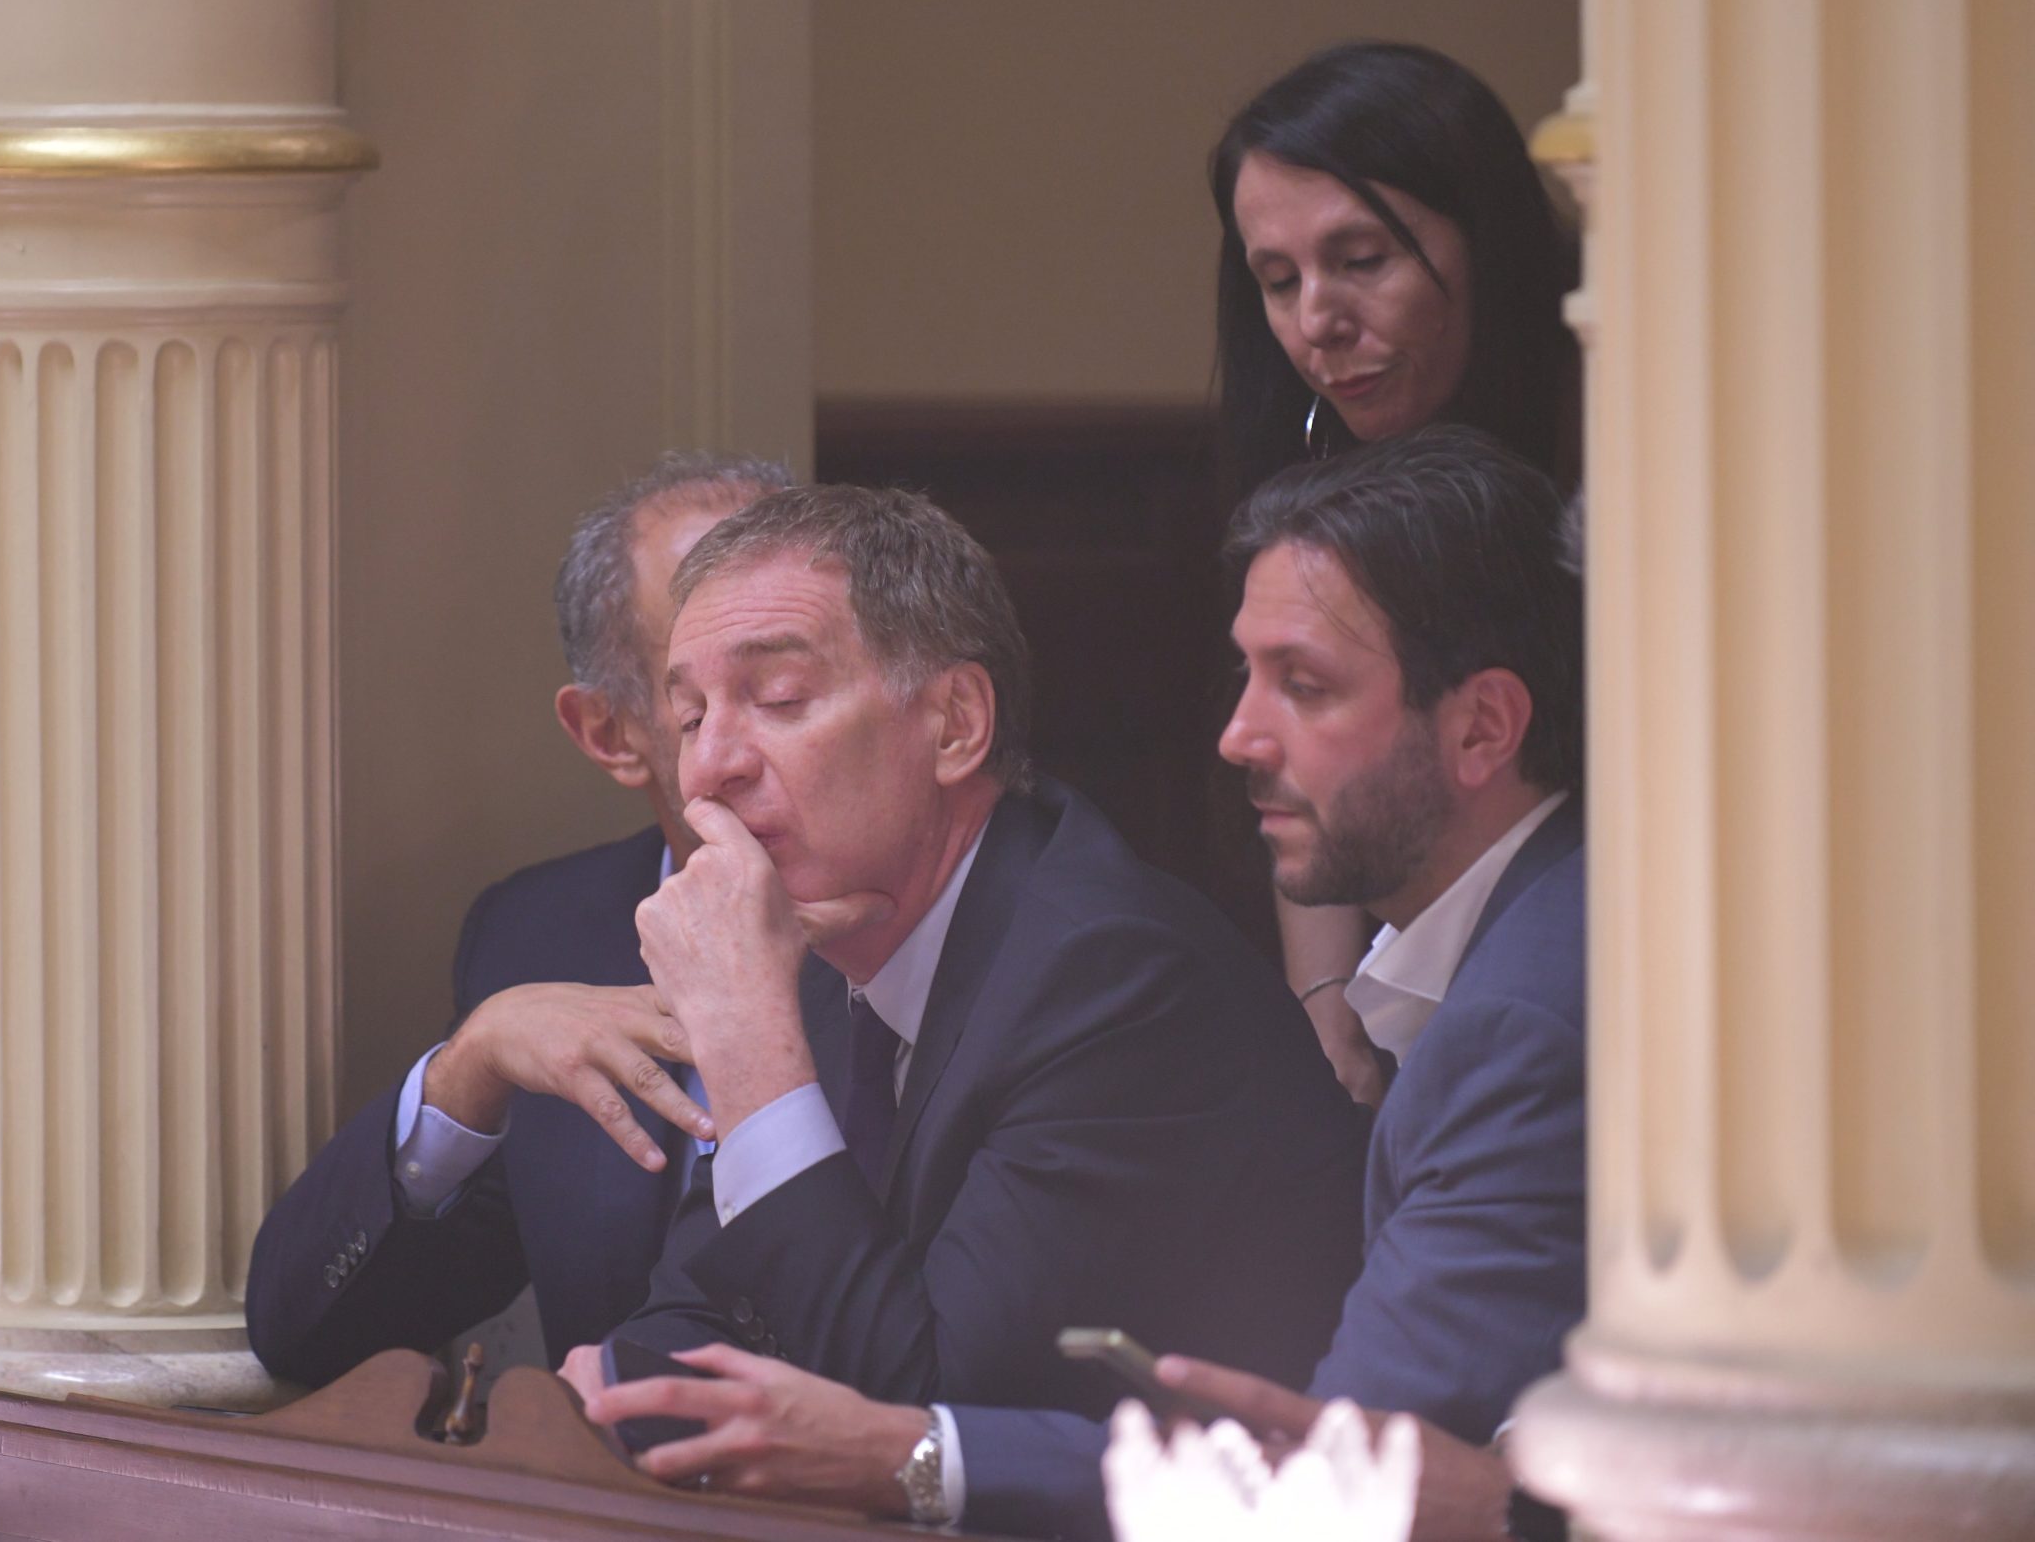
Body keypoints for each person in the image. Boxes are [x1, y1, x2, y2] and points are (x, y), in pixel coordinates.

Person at [589, 430, 1586, 1542]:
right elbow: (693, 1321)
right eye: (688, 717)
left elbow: (910, 1404)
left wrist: (745, 1041)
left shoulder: (1111, 973)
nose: (708, 765)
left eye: (775, 697)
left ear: (956, 724)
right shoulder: (822, 941)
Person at [244, 451, 790, 1385]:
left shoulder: (979, 926)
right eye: (703, 699)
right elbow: (305, 1335)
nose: (764, 739)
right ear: (610, 734)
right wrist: (468, 1071)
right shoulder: (541, 936)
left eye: (790, 688)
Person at [1210, 40, 1583, 1105]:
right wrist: (1326, 1002)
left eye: (1363, 259)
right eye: (1278, 280)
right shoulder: (1304, 457)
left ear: (1488, 243)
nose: (1316, 323)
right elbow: (1307, 754)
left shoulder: (1619, 423)